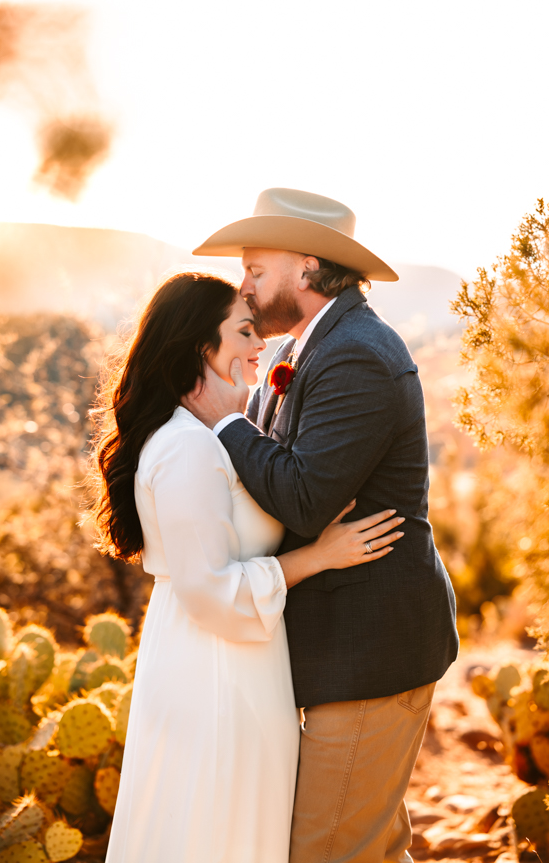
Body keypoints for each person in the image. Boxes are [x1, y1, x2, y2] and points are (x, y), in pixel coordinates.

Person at [186, 187, 459, 863]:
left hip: (369, 650)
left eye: (254, 269)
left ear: (306, 267)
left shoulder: (355, 354)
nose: (242, 288)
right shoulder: (321, 346)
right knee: (365, 843)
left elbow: (304, 498)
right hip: (345, 648)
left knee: (327, 849)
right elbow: (295, 485)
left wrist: (222, 418)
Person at [93, 270, 404, 863]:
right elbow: (211, 590)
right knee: (217, 828)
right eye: (243, 331)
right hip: (215, 668)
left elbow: (238, 538)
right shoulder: (186, 447)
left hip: (238, 660)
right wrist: (317, 557)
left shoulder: (208, 436)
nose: (260, 341)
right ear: (199, 349)